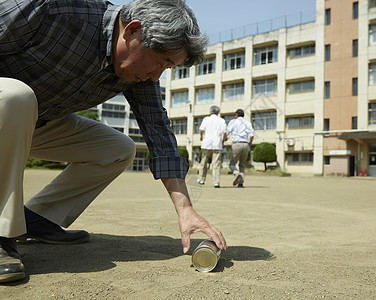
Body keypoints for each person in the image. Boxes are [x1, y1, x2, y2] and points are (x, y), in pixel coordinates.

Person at [0, 0, 226, 283]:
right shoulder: (54, 8)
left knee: (118, 149)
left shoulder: (139, 75)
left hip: (30, 123)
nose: (156, 76)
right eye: (160, 62)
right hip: (6, 106)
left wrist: (186, 210)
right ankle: (1, 232)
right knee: (14, 96)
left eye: (167, 69)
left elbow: (158, 131)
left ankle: (37, 218)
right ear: (132, 32)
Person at [197, 106, 227, 188]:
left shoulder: (206, 119)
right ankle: (216, 182)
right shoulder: (221, 120)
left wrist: (201, 137)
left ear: (210, 112)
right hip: (217, 144)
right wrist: (223, 141)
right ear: (218, 112)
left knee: (204, 162)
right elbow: (225, 132)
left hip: (207, 143)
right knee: (216, 164)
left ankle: (201, 179)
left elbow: (201, 129)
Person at [226, 109, 255, 188]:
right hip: (245, 144)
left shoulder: (233, 122)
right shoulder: (247, 123)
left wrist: (224, 139)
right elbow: (252, 135)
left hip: (236, 144)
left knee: (232, 164)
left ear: (236, 115)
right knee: (242, 164)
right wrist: (250, 143)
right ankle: (240, 183)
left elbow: (227, 132)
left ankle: (236, 172)